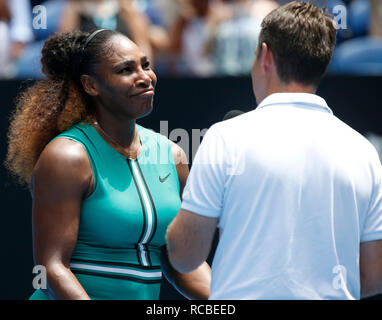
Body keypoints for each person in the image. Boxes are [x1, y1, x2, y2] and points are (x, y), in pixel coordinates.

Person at [165, 1, 382, 299]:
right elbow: (373, 275)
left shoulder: (225, 138)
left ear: (264, 56)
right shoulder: (365, 151)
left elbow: (185, 256)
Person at [5, 28, 211, 300]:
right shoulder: (67, 156)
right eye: (126, 70)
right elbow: (49, 269)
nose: (145, 77)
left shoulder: (172, 155)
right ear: (91, 85)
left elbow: (180, 260)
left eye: (145, 65)